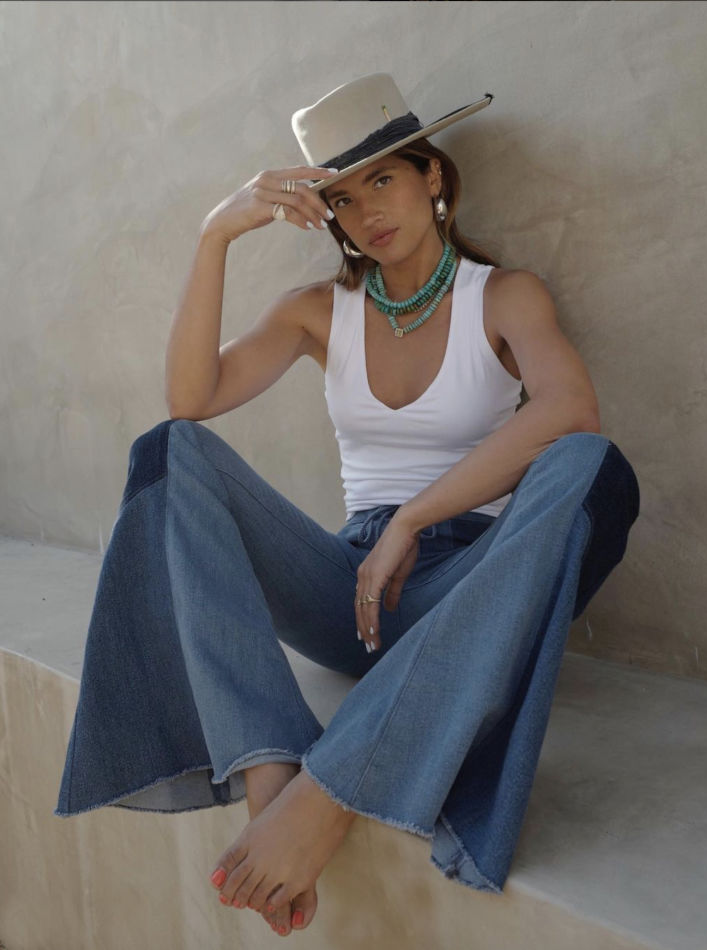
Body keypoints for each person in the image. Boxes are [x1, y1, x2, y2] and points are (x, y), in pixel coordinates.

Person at [55, 73, 640, 939]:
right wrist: (216, 233)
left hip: (469, 583)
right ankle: (270, 765)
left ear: (431, 176)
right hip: (351, 593)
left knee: (592, 468)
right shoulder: (316, 313)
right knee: (167, 452)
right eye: (342, 197)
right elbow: (191, 398)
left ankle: (329, 791)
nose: (366, 212)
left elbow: (569, 409)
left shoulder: (504, 296)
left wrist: (413, 517)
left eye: (383, 180)